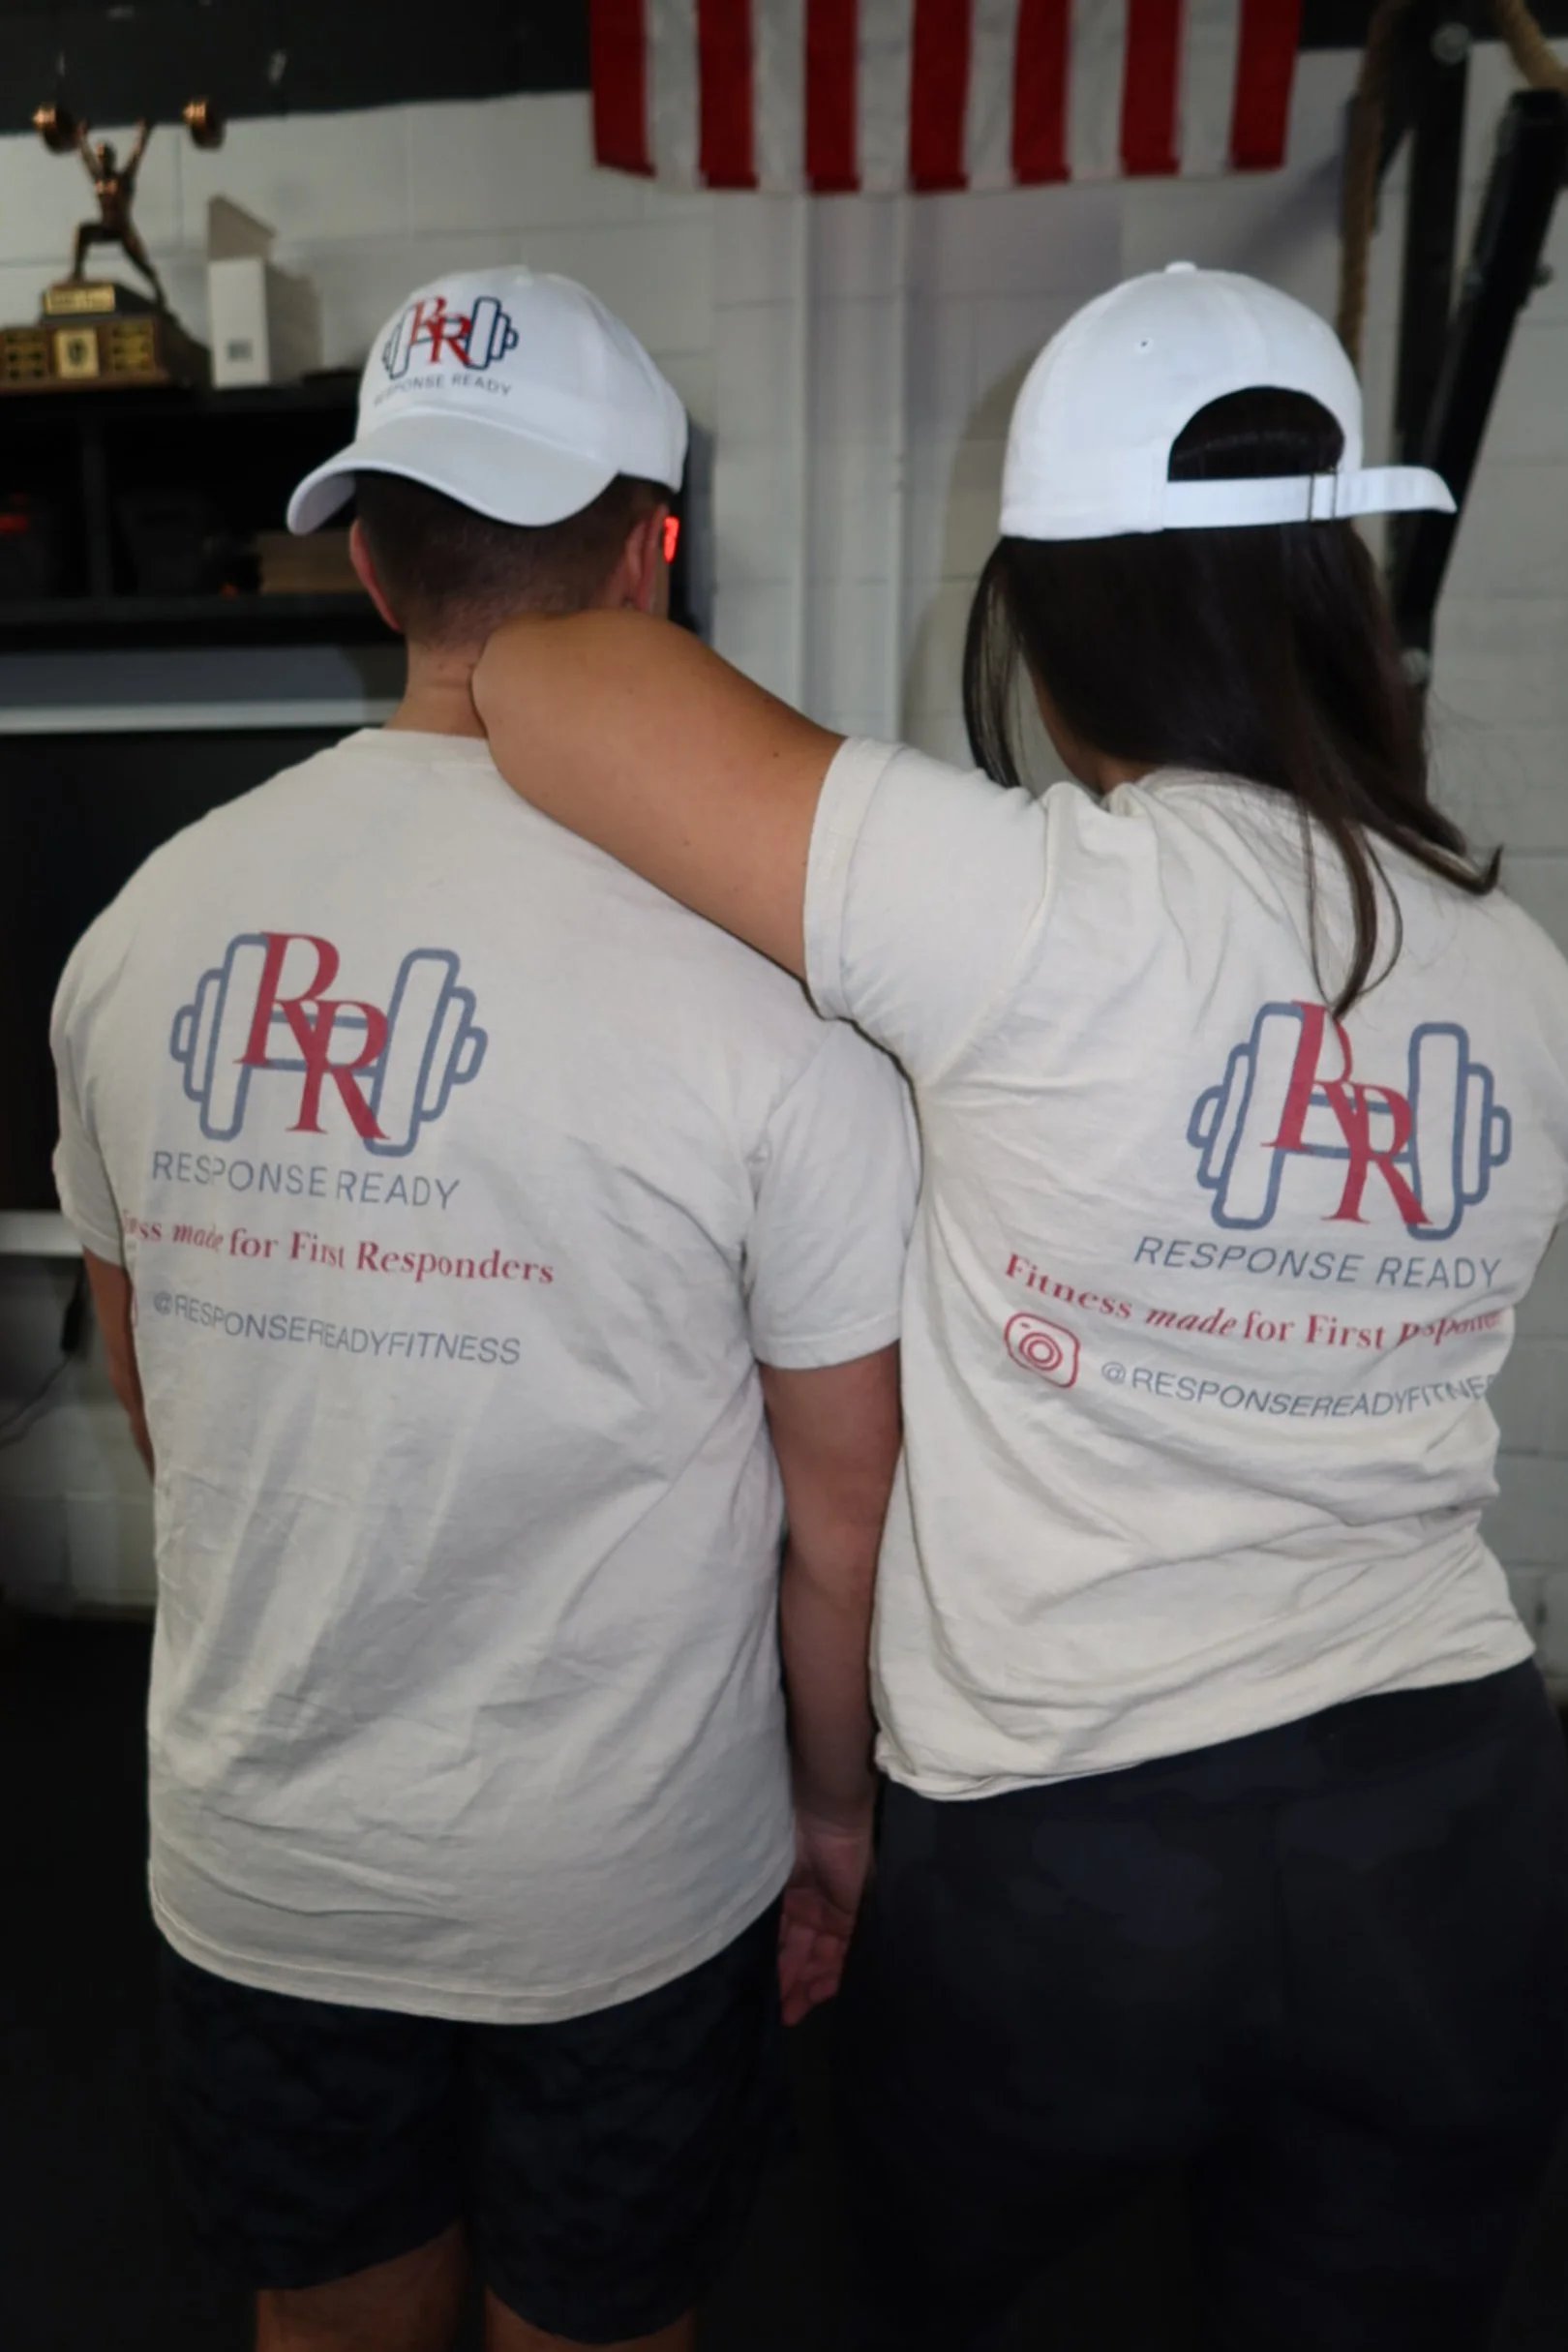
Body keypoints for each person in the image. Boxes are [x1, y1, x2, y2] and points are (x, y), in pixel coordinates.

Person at [471, 263, 1568, 2352]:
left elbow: (545, 674)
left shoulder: (1032, 911)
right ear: (1340, 585)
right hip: (1452, 1829)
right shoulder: (1519, 965)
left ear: (1050, 619)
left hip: (1077, 1862)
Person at [49, 265, 916, 2352]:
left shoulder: (139, 931)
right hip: (623, 1882)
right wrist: (834, 1818)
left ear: (363, 556)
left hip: (270, 1861)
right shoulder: (778, 991)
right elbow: (840, 1529)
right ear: (654, 553)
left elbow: (164, 1397)